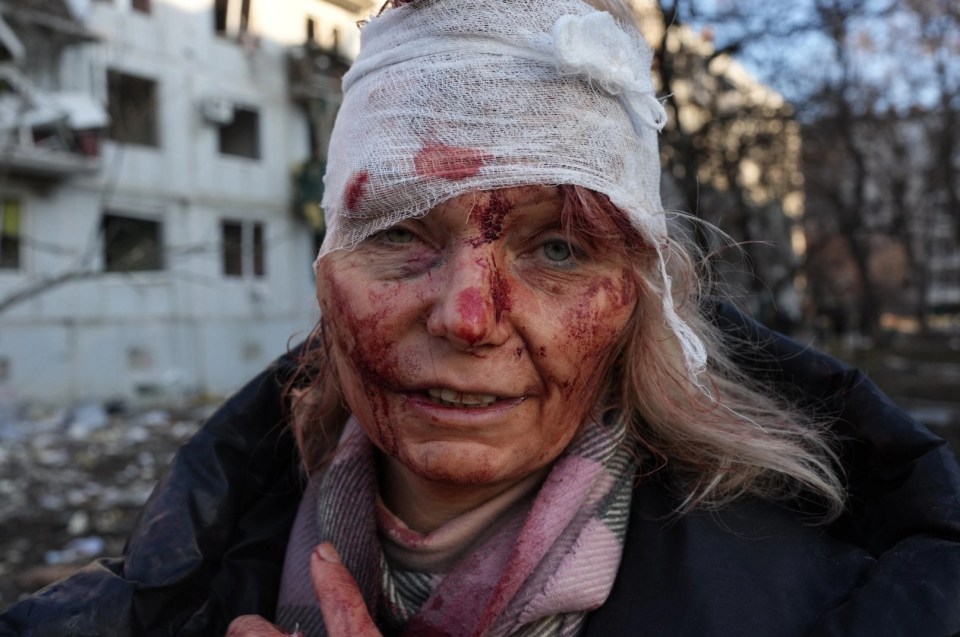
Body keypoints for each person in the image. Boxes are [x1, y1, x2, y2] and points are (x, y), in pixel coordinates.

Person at [3, 1, 960, 635]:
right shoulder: (173, 599)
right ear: (327, 271)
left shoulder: (829, 607)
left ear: (637, 301)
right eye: (400, 234)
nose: (468, 317)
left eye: (558, 248)